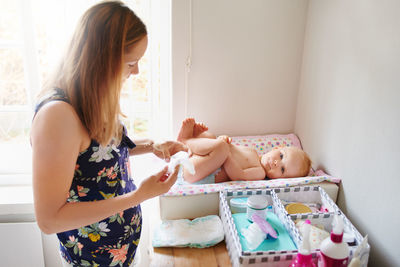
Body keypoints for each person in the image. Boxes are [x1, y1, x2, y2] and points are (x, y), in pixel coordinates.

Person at [30, 2, 186, 266]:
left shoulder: (90, 95)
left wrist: (152, 145)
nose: (136, 71)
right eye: (131, 63)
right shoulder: (57, 116)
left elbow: (98, 151)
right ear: (102, 60)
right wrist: (138, 197)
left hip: (120, 254)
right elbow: (49, 219)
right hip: (92, 260)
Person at [176, 118, 311, 183]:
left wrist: (225, 153)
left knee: (221, 147)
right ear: (276, 148)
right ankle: (189, 146)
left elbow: (238, 175)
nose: (276, 163)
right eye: (281, 156)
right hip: (200, 160)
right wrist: (224, 140)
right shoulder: (252, 151)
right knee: (211, 137)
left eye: (282, 170)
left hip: (200, 174)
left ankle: (186, 140)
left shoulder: (259, 172)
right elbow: (231, 147)